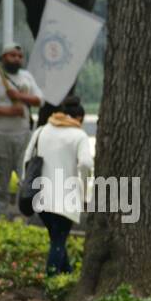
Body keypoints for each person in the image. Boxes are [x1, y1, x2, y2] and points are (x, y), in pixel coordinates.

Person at [24, 96, 93, 275]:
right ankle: (52, 277)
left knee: (56, 237)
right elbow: (86, 163)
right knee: (58, 240)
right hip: (66, 199)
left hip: (40, 196)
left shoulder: (41, 130)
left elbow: (26, 159)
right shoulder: (79, 135)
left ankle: (67, 273)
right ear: (78, 119)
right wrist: (85, 193)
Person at [0, 44, 44, 220]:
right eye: (12, 55)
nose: (17, 59)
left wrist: (19, 97)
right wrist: (10, 111)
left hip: (23, 137)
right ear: (3, 58)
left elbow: (39, 100)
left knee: (25, 180)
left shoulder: (26, 77)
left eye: (20, 56)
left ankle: (25, 220)